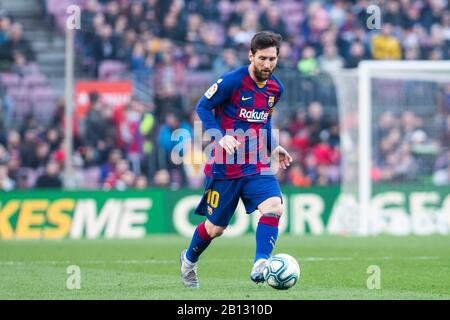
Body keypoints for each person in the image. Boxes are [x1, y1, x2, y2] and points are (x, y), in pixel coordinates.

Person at [180, 31, 292, 288]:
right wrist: (219, 136)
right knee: (215, 229)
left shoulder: (276, 88)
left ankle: (261, 262)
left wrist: (272, 146)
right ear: (251, 55)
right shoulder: (232, 81)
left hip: (256, 164)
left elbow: (264, 119)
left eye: (272, 59)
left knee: (274, 207)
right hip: (224, 166)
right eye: (262, 58)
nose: (267, 65)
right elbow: (202, 107)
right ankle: (188, 260)